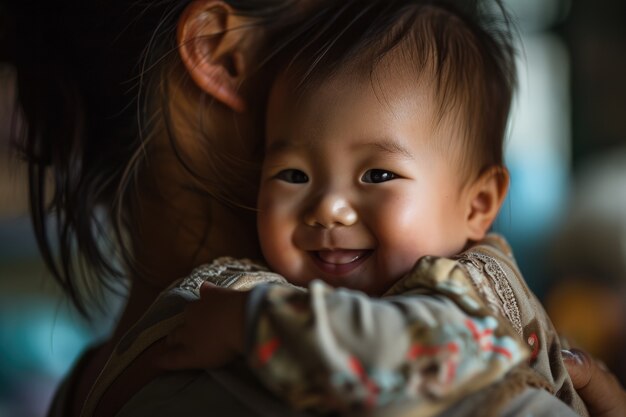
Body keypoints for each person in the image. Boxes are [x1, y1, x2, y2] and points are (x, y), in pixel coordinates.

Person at [2, 0, 625, 416]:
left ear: (483, 201)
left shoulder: (88, 382)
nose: (329, 207)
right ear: (222, 54)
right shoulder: (250, 366)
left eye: (378, 173)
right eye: (295, 173)